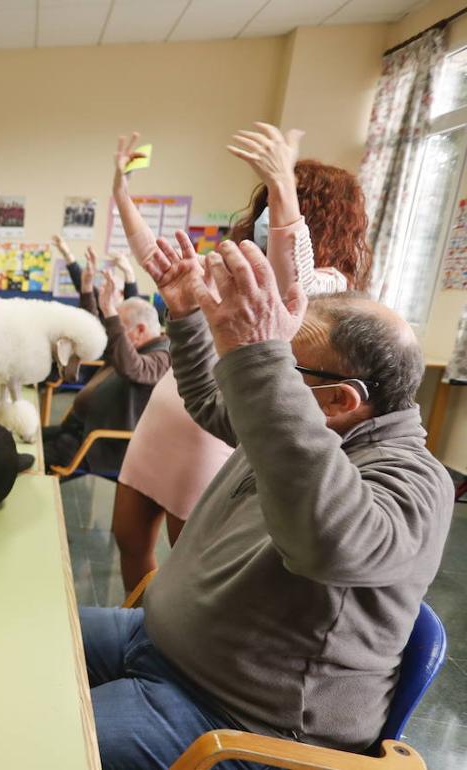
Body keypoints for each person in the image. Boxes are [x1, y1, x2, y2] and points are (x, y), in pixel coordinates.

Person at [84, 234, 452, 769]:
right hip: (158, 642)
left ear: (340, 400)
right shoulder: (301, 418)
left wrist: (261, 360)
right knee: (22, 640)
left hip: (229, 713)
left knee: (33, 733)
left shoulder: (415, 480)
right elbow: (216, 401)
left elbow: (329, 543)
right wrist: (187, 315)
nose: (267, 381)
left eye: (284, 366)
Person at [109, 125, 373, 591]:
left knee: (184, 566)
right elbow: (157, 259)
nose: (265, 210)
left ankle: (159, 640)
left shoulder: (328, 286)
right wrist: (120, 192)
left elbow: (295, 278)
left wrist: (282, 185)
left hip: (207, 429)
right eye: (267, 201)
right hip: (165, 415)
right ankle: (132, 620)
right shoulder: (238, 263)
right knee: (129, 538)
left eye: (277, 200)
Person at [42, 269, 169, 474]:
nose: (113, 335)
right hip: (78, 431)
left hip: (98, 444)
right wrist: (88, 291)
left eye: (120, 328)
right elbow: (93, 335)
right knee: (23, 438)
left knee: (25, 456)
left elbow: (135, 369)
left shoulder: (164, 357)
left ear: (140, 330)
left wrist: (111, 312)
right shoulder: (129, 348)